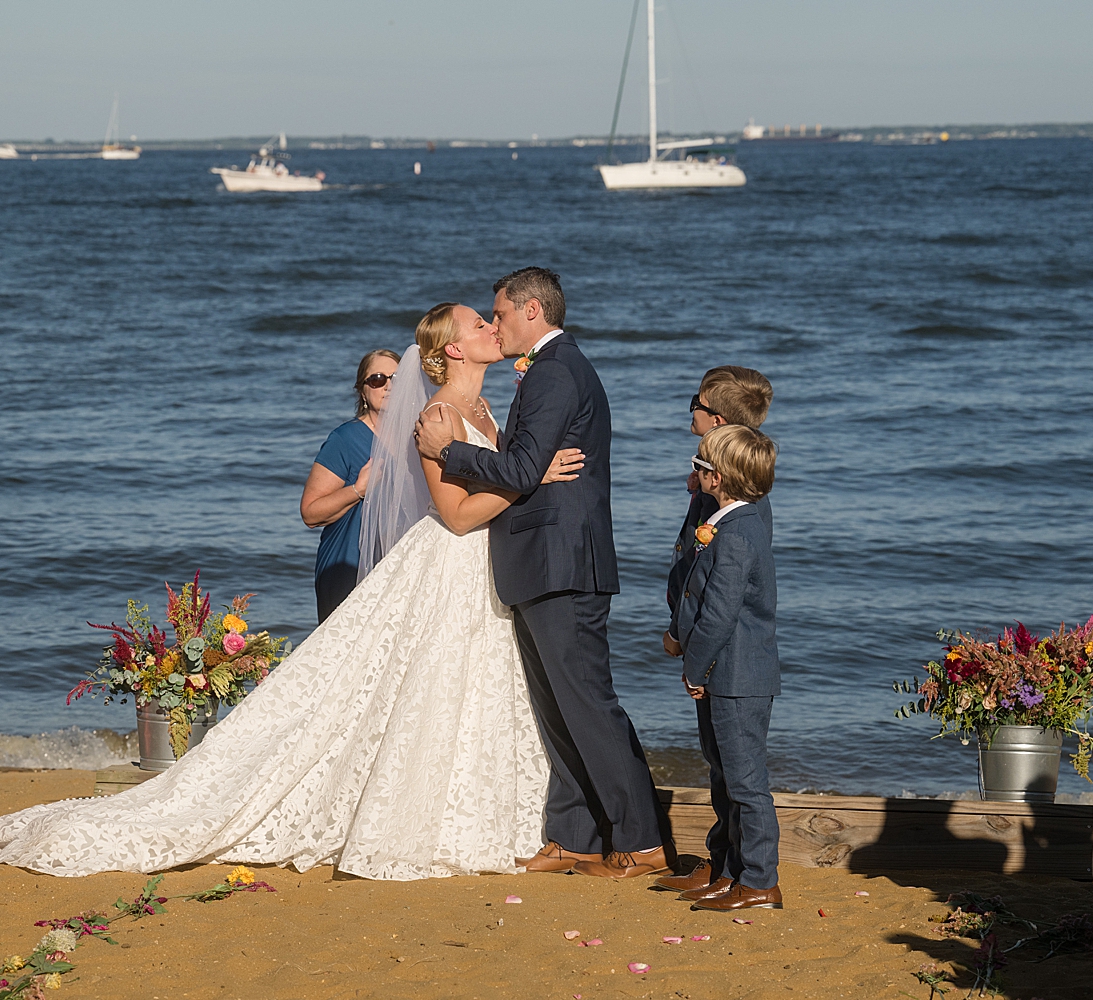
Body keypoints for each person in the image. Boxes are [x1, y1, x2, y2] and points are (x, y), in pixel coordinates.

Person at [0, 304, 581, 880]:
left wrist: (524, 474)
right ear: (450, 350)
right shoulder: (438, 417)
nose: (492, 330)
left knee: (469, 687)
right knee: (424, 686)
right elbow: (455, 514)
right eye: (480, 325)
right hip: (449, 558)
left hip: (481, 570)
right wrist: (530, 480)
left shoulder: (486, 412)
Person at [415, 267, 668, 880]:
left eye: (498, 315)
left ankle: (643, 840)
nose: (495, 326)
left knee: (587, 703)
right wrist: (525, 467)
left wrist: (448, 452)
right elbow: (531, 466)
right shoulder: (547, 369)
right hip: (539, 562)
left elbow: (525, 467)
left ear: (531, 311)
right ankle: (574, 834)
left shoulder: (555, 370)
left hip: (561, 563)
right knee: (556, 707)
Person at [657, 365, 774, 898]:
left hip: (729, 662)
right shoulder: (729, 496)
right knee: (721, 768)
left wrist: (691, 655)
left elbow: (721, 599)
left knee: (742, 776)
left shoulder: (736, 517)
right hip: (713, 655)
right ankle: (727, 867)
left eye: (696, 406)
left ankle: (755, 877)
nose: (691, 414)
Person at [301, 349, 400, 622]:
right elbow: (310, 513)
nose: (389, 385)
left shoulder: (416, 439)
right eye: (378, 379)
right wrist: (358, 489)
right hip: (348, 566)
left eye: (397, 378)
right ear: (363, 391)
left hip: (398, 569)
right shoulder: (344, 439)